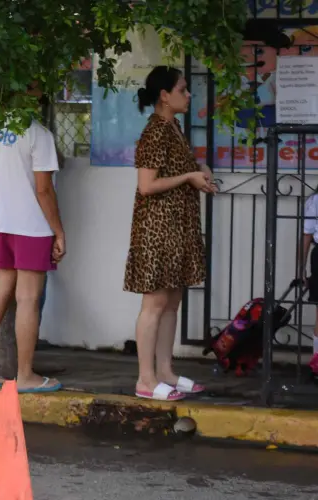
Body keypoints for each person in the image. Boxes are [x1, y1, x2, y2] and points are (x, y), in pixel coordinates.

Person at [0, 93, 66, 393]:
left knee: (1, 292)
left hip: (1, 224)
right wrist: (58, 231)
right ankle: (25, 375)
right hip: (31, 226)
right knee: (28, 299)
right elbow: (44, 190)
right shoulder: (39, 134)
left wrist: (6, 195)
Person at [124, 66, 216, 401]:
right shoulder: (155, 132)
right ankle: (145, 380)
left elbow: (181, 169)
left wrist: (200, 172)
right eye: (182, 89)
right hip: (157, 229)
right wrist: (188, 178)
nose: (188, 95)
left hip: (178, 226)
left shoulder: (173, 127)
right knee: (156, 302)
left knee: (172, 301)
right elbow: (146, 186)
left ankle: (165, 371)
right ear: (165, 95)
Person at [299, 193, 318, 371]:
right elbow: (307, 235)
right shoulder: (316, 200)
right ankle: (317, 364)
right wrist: (301, 269)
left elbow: (307, 235)